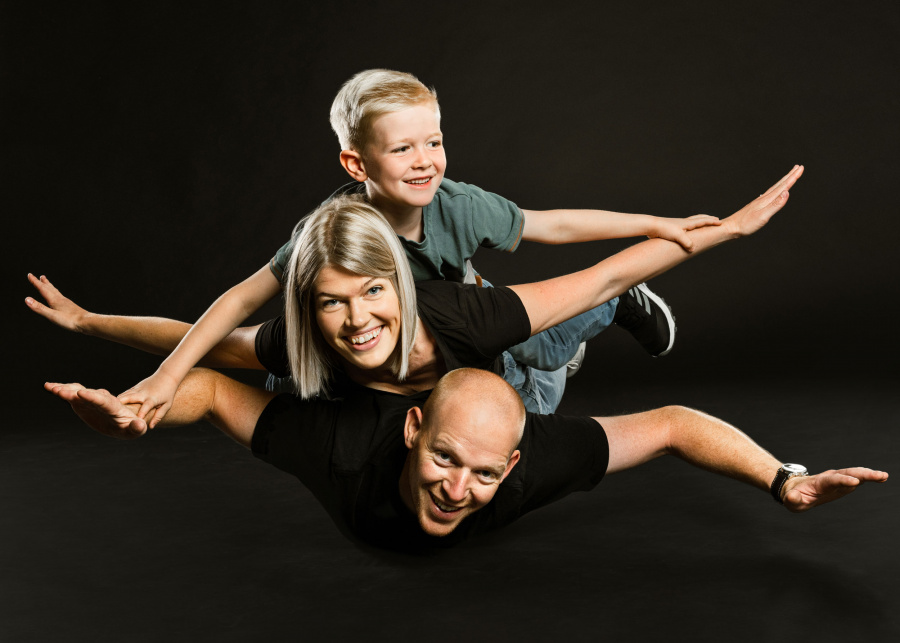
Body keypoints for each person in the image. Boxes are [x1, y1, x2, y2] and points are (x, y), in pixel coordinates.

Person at [109, 69, 726, 425]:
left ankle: (613, 304)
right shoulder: (334, 235)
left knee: (536, 371)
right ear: (357, 163)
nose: (425, 161)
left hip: (469, 315)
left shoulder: (459, 204)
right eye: (402, 149)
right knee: (323, 383)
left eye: (433, 142)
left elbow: (553, 225)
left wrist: (654, 224)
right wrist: (167, 376)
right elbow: (241, 301)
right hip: (418, 338)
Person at [29, 167, 803, 414]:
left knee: (552, 349)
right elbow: (202, 335)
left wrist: (717, 231)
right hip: (471, 388)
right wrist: (91, 324)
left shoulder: (461, 303)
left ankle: (609, 320)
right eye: (333, 302)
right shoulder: (311, 337)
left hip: (502, 357)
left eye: (371, 293)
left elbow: (594, 261)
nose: (355, 319)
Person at [44, 367, 889, 552]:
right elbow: (211, 388)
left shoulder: (536, 457)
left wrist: (783, 478)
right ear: (414, 431)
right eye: (446, 458)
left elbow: (670, 422)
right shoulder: (338, 445)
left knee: (543, 374)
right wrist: (139, 415)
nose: (457, 489)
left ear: (514, 464)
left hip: (504, 379)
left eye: (486, 473)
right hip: (373, 373)